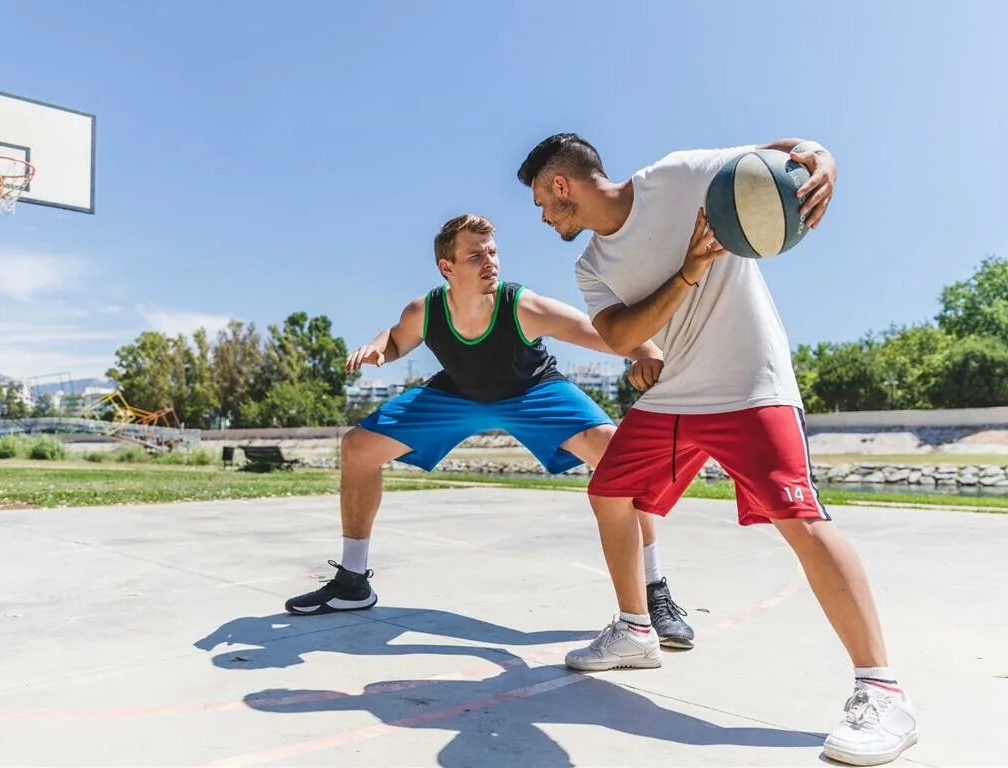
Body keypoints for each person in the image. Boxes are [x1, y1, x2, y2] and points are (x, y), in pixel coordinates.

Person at [516, 134, 917, 766]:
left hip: (749, 384)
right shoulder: (591, 264)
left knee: (801, 522)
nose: (541, 215)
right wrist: (687, 273)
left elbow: (781, 154)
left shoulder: (676, 178)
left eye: (541, 199)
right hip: (675, 395)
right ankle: (636, 628)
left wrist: (824, 160)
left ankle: (882, 691)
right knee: (610, 491)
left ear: (561, 184)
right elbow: (620, 335)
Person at [285, 213, 696, 651]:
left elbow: (596, 331)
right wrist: (378, 349)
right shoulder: (426, 311)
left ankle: (653, 592)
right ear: (448, 268)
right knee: (358, 448)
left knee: (619, 458)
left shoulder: (521, 306)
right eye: (475, 255)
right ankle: (352, 582)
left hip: (532, 390)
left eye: (493, 252)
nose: (490, 262)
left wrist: (648, 350)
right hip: (458, 394)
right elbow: (397, 339)